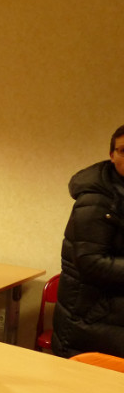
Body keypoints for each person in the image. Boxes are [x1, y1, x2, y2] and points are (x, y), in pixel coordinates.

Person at [53, 124, 124, 358]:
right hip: (91, 319)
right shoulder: (98, 198)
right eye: (123, 151)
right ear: (112, 155)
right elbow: (91, 262)